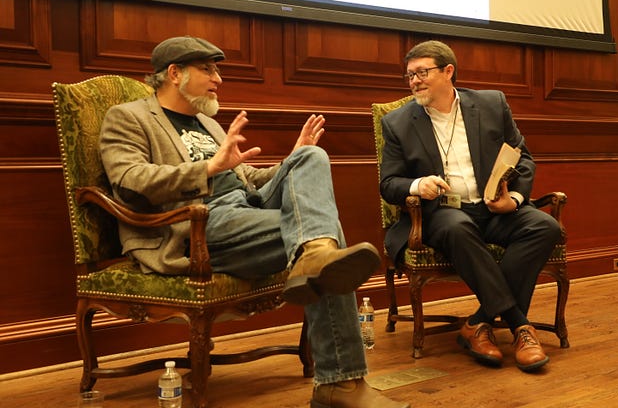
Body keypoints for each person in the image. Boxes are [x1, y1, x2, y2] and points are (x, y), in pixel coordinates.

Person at [99, 36, 409, 408]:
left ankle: (314, 255)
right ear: (174, 73)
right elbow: (129, 181)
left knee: (311, 157)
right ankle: (340, 384)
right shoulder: (129, 117)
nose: (218, 78)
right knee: (327, 247)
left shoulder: (205, 122)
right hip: (198, 224)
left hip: (246, 207)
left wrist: (292, 160)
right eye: (208, 69)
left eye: (218, 70)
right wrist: (208, 168)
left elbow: (246, 177)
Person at [379, 40, 561, 372]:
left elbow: (523, 158)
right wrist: (419, 185)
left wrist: (514, 200)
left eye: (422, 72)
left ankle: (478, 322)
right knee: (457, 226)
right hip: (440, 215)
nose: (414, 81)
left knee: (544, 226)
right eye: (409, 75)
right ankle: (521, 326)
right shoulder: (398, 123)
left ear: (448, 71)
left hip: (491, 208)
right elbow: (389, 184)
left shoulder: (491, 104)